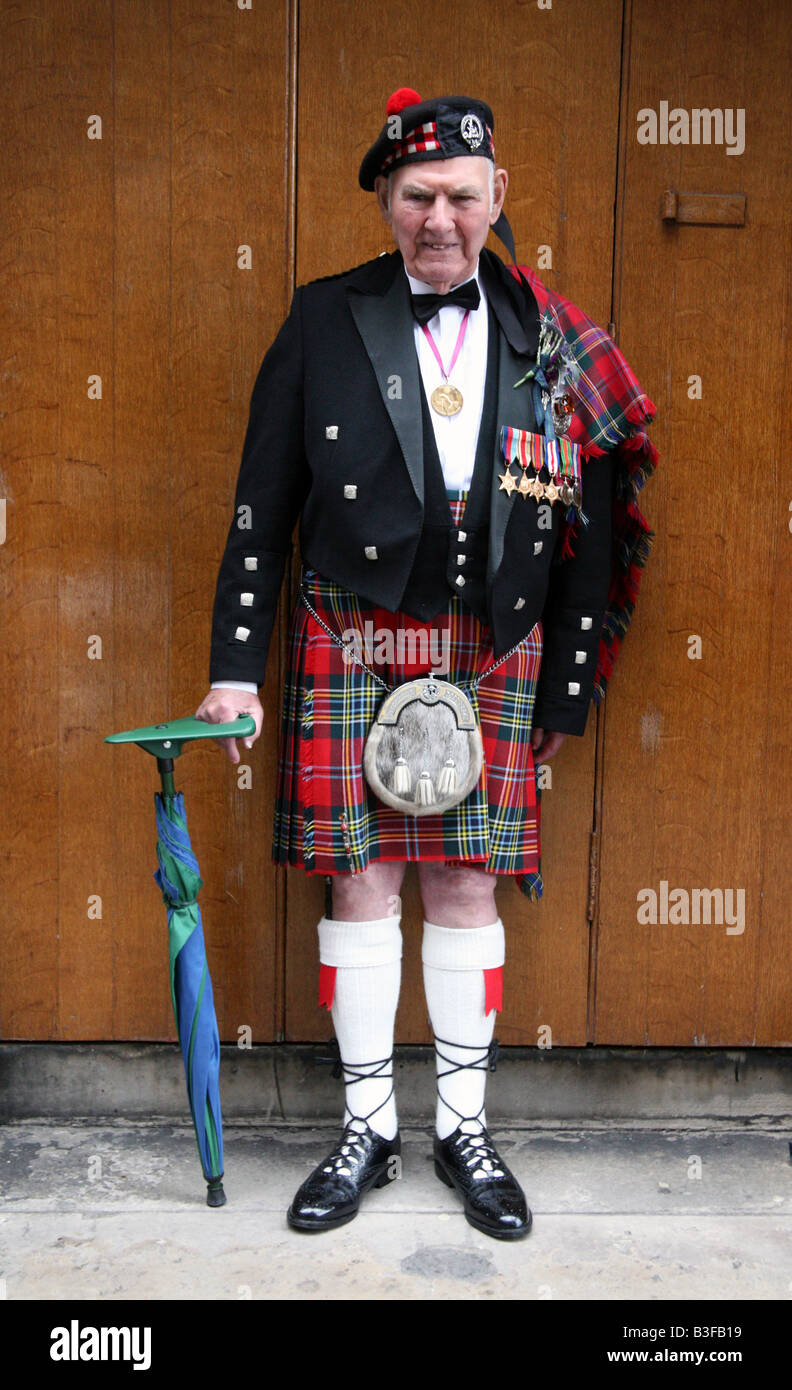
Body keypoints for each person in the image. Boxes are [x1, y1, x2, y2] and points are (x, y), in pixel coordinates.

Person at [196, 88, 656, 1240]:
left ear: (497, 196)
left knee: (464, 886)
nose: (439, 217)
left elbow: (588, 535)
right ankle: (365, 1129)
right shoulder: (322, 321)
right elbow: (261, 511)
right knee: (359, 881)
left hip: (492, 643)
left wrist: (567, 685)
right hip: (351, 633)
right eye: (415, 197)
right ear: (385, 202)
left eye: (460, 195)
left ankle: (462, 1125)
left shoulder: (558, 339)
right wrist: (237, 671)